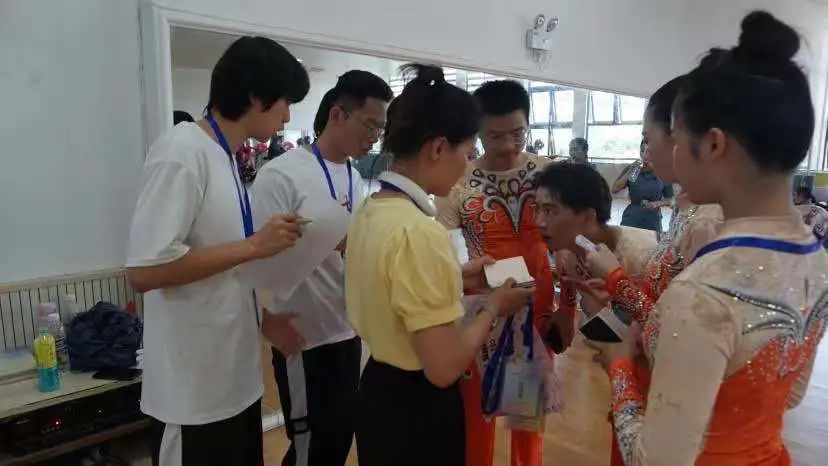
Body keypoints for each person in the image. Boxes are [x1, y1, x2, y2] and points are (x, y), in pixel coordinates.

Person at [588, 12, 827, 465]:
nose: (672, 154)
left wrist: (619, 366)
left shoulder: (705, 291)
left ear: (714, 145)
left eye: (678, 139)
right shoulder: (817, 259)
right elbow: (790, 395)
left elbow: (655, 460)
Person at [126, 37, 309, 466]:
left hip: (236, 383)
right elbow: (144, 271)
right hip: (192, 396)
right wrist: (254, 245)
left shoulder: (226, 157)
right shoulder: (182, 151)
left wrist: (266, 320)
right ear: (255, 97)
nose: (288, 116)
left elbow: (224, 265)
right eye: (285, 102)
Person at [345, 64, 536, 466]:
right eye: (467, 153)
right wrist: (493, 307)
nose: (468, 167)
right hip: (418, 409)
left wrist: (456, 274)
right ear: (437, 148)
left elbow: (391, 286)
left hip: (378, 388)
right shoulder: (420, 233)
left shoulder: (371, 209)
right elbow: (444, 367)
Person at [250, 70, 392, 466]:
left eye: (380, 129)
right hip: (302, 336)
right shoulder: (281, 175)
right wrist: (268, 323)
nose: (373, 137)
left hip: (346, 330)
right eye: (369, 125)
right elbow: (257, 260)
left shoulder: (355, 177)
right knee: (309, 448)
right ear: (337, 115)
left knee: (338, 440)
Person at [583, 74, 723, 466]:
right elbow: (665, 300)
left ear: (679, 137)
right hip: (649, 373)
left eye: (649, 138)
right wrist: (616, 296)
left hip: (668, 391)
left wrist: (617, 281)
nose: (646, 149)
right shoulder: (688, 208)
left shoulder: (707, 222)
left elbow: (679, 335)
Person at [435, 79, 571, 466]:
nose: (509, 146)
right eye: (496, 136)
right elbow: (443, 255)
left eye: (518, 133)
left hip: (536, 310)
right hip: (483, 313)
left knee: (527, 417)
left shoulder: (546, 173)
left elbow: (570, 242)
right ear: (477, 133)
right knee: (478, 414)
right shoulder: (457, 181)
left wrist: (566, 306)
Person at [532, 162, 656, 321]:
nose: (538, 222)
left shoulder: (643, 257)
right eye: (537, 209)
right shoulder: (564, 252)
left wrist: (617, 283)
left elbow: (664, 326)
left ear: (588, 217)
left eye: (549, 211)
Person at [613, 140, 674, 238]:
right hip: (632, 217)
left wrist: (657, 203)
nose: (645, 155)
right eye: (642, 150)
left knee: (651, 244)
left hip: (653, 219)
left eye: (649, 151)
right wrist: (630, 171)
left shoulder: (663, 172)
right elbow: (615, 189)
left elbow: (670, 199)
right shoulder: (633, 169)